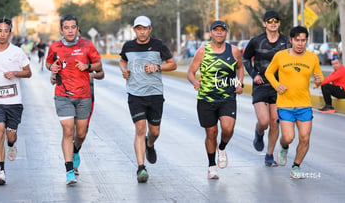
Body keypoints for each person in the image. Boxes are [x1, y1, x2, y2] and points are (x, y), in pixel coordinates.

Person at [46, 14, 102, 185]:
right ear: (61, 30)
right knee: (68, 130)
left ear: (78, 29)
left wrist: (88, 66)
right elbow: (49, 64)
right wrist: (52, 68)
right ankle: (69, 171)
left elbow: (99, 65)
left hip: (84, 95)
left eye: (73, 27)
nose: (70, 30)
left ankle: (76, 150)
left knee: (81, 133)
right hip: (62, 94)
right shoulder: (54, 47)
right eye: (66, 27)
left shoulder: (87, 45)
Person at [119, 16, 177, 183]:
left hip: (155, 94)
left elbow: (172, 64)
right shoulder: (128, 46)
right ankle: (141, 168)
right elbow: (122, 61)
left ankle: (149, 144)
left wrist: (157, 67)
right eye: (138, 28)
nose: (142, 31)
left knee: (155, 131)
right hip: (135, 94)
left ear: (150, 30)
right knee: (140, 128)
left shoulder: (159, 45)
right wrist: (124, 70)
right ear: (134, 30)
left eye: (145, 28)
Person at [187, 20, 244, 180]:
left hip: (227, 97)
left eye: (222, 30)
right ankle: (212, 166)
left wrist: (240, 83)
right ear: (211, 32)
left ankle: (222, 147)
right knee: (211, 133)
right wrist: (194, 81)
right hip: (206, 98)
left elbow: (239, 67)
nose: (219, 33)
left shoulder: (234, 51)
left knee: (228, 129)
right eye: (216, 30)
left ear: (226, 33)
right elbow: (190, 72)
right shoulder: (202, 51)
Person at [265, 25, 323, 179]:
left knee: (305, 138)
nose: (300, 43)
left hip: (304, 104)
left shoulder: (312, 57)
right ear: (291, 40)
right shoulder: (280, 56)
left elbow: (319, 77)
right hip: (285, 104)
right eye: (297, 40)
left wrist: (318, 81)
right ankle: (284, 146)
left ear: (306, 41)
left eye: (303, 40)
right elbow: (269, 72)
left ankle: (296, 166)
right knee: (289, 137)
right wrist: (277, 86)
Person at [0, 18, 32, 185]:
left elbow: (28, 72)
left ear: (10, 33)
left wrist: (15, 73)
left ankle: (11, 144)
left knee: (10, 135)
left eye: (6, 31)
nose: (2, 34)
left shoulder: (17, 52)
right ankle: (1, 172)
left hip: (13, 101)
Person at [242, 10, 291, 166]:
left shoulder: (286, 42)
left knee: (275, 122)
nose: (273, 23)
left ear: (279, 23)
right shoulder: (256, 41)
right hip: (261, 84)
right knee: (264, 121)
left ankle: (269, 155)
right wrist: (254, 74)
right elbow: (245, 58)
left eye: (276, 20)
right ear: (264, 24)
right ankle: (259, 132)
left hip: (279, 86)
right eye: (269, 21)